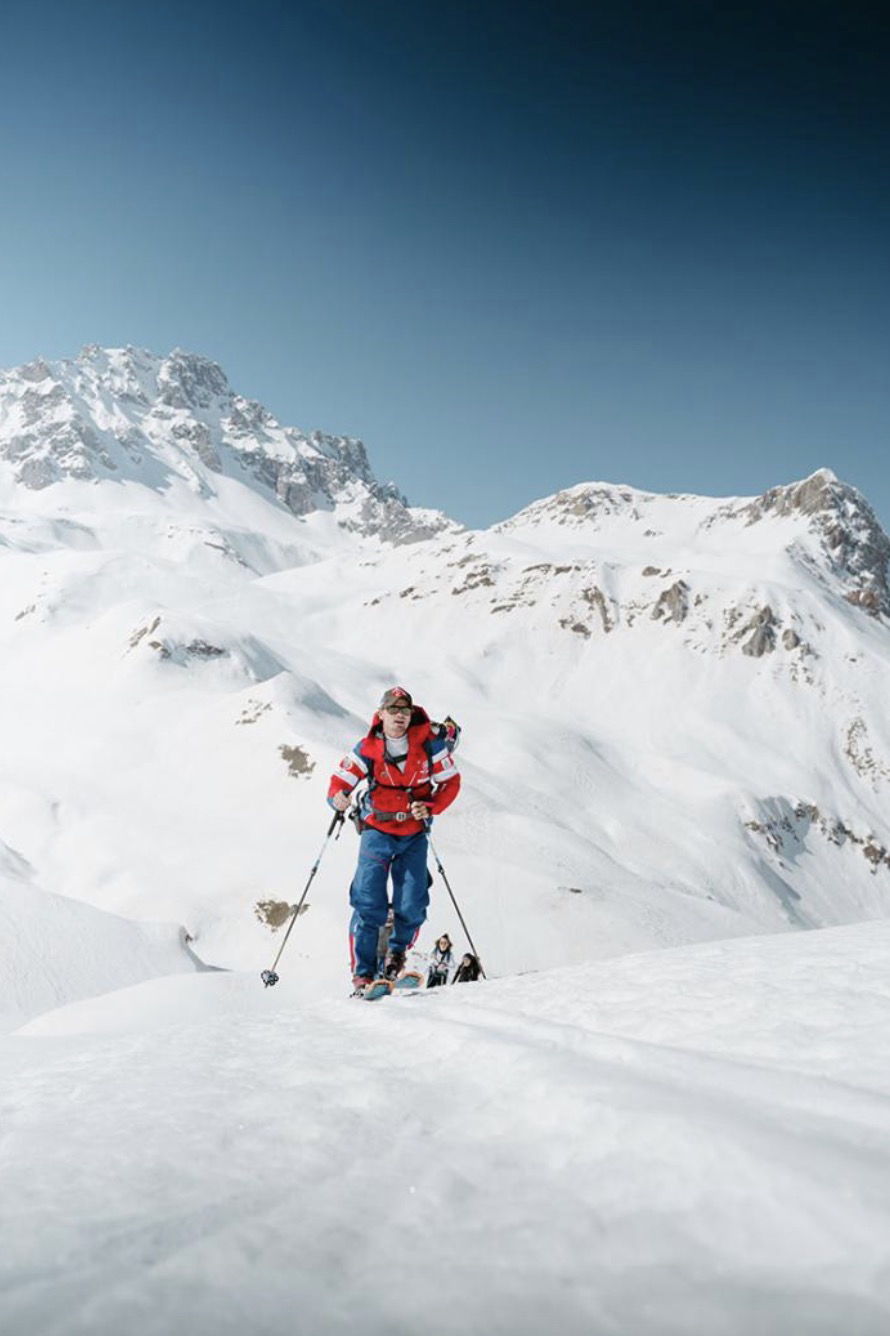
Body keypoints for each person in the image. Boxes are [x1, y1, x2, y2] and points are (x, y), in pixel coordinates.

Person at [328, 686, 460, 996]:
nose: (399, 716)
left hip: (413, 835)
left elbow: (450, 782)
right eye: (393, 710)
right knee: (367, 901)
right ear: (381, 714)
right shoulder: (367, 748)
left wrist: (430, 807)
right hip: (377, 832)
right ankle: (363, 976)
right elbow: (340, 782)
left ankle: (393, 962)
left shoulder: (430, 745)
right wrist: (337, 797)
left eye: (405, 711)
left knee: (412, 902)